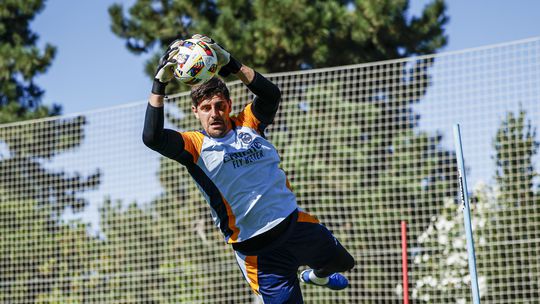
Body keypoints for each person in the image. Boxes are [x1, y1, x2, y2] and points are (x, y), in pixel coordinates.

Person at [142, 34, 355, 303]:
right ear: (196, 112)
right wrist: (159, 84)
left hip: (294, 226)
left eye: (220, 106)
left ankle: (316, 277)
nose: (214, 113)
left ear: (229, 106)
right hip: (260, 256)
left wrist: (230, 62)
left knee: (343, 262)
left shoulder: (248, 123)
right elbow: (152, 137)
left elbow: (271, 94)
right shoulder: (194, 145)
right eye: (206, 108)